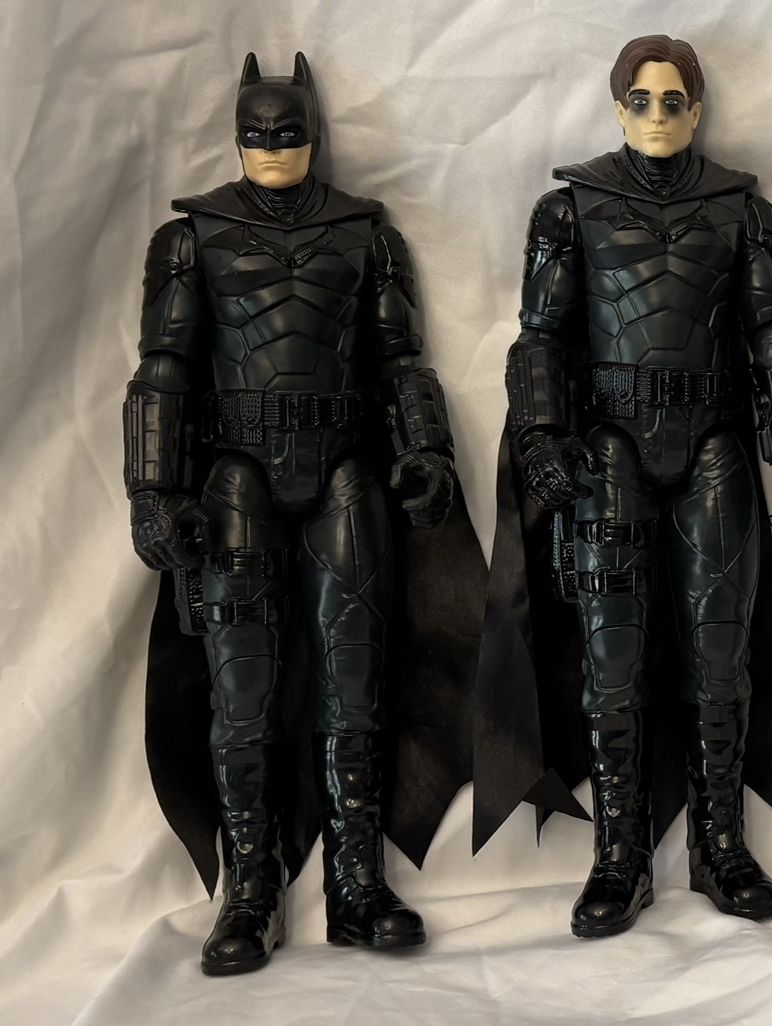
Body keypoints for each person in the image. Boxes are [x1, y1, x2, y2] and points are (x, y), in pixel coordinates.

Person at [124, 52, 485, 975]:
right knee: (241, 693)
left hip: (343, 474)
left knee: (355, 684)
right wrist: (153, 491)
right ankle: (250, 891)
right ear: (236, 135)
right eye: (257, 132)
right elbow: (162, 371)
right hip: (236, 480)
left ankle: (357, 884)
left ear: (314, 133)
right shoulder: (191, 238)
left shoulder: (366, 234)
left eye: (288, 131)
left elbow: (401, 359)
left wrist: (427, 450)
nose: (273, 146)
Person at [484, 34, 772, 939]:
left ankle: (721, 843)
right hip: (612, 448)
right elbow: (541, 337)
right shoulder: (570, 208)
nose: (659, 115)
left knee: (721, 656)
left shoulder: (742, 209)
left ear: (698, 108)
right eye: (642, 100)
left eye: (675, 100)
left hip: (714, 437)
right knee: (612, 660)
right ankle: (620, 855)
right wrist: (541, 436)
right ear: (618, 107)